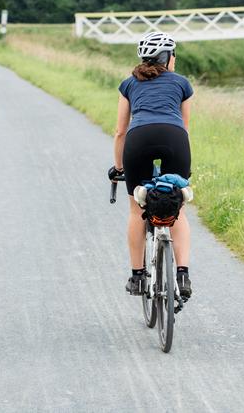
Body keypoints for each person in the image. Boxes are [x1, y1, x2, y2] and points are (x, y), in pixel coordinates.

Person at [108, 31, 194, 300]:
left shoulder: (129, 84)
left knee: (136, 210)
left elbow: (121, 131)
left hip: (139, 139)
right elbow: (185, 127)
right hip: (174, 138)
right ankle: (182, 273)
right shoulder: (182, 83)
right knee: (177, 207)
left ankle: (137, 276)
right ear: (168, 57)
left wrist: (119, 168)